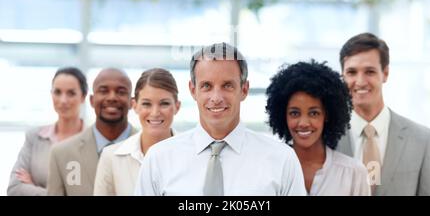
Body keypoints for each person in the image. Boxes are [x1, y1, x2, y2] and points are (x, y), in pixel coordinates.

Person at [135, 42, 306, 196]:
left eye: (227, 86)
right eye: (207, 86)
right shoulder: (159, 159)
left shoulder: (282, 159)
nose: (216, 97)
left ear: (244, 90)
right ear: (193, 90)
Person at [336, 32, 430, 195]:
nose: (360, 81)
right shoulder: (327, 138)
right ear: (343, 76)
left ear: (385, 73)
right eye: (351, 72)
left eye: (369, 71)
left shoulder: (422, 140)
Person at [265, 60, 370, 196]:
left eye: (313, 113)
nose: (303, 123)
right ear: (283, 116)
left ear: (327, 115)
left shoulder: (353, 173)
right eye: (294, 113)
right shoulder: (269, 169)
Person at [46, 68, 138, 196]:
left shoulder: (150, 150)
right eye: (103, 91)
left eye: (121, 92)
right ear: (91, 100)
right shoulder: (61, 153)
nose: (112, 97)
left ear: (132, 102)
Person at [93, 68, 180, 195]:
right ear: (134, 105)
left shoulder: (194, 155)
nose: (155, 113)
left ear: (177, 107)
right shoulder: (111, 157)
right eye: (146, 104)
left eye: (164, 103)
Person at [7, 67, 87, 196]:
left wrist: (32, 187)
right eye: (57, 92)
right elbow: (14, 189)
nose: (63, 100)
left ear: (83, 97)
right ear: (51, 94)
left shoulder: (93, 141)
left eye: (71, 93)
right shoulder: (34, 137)